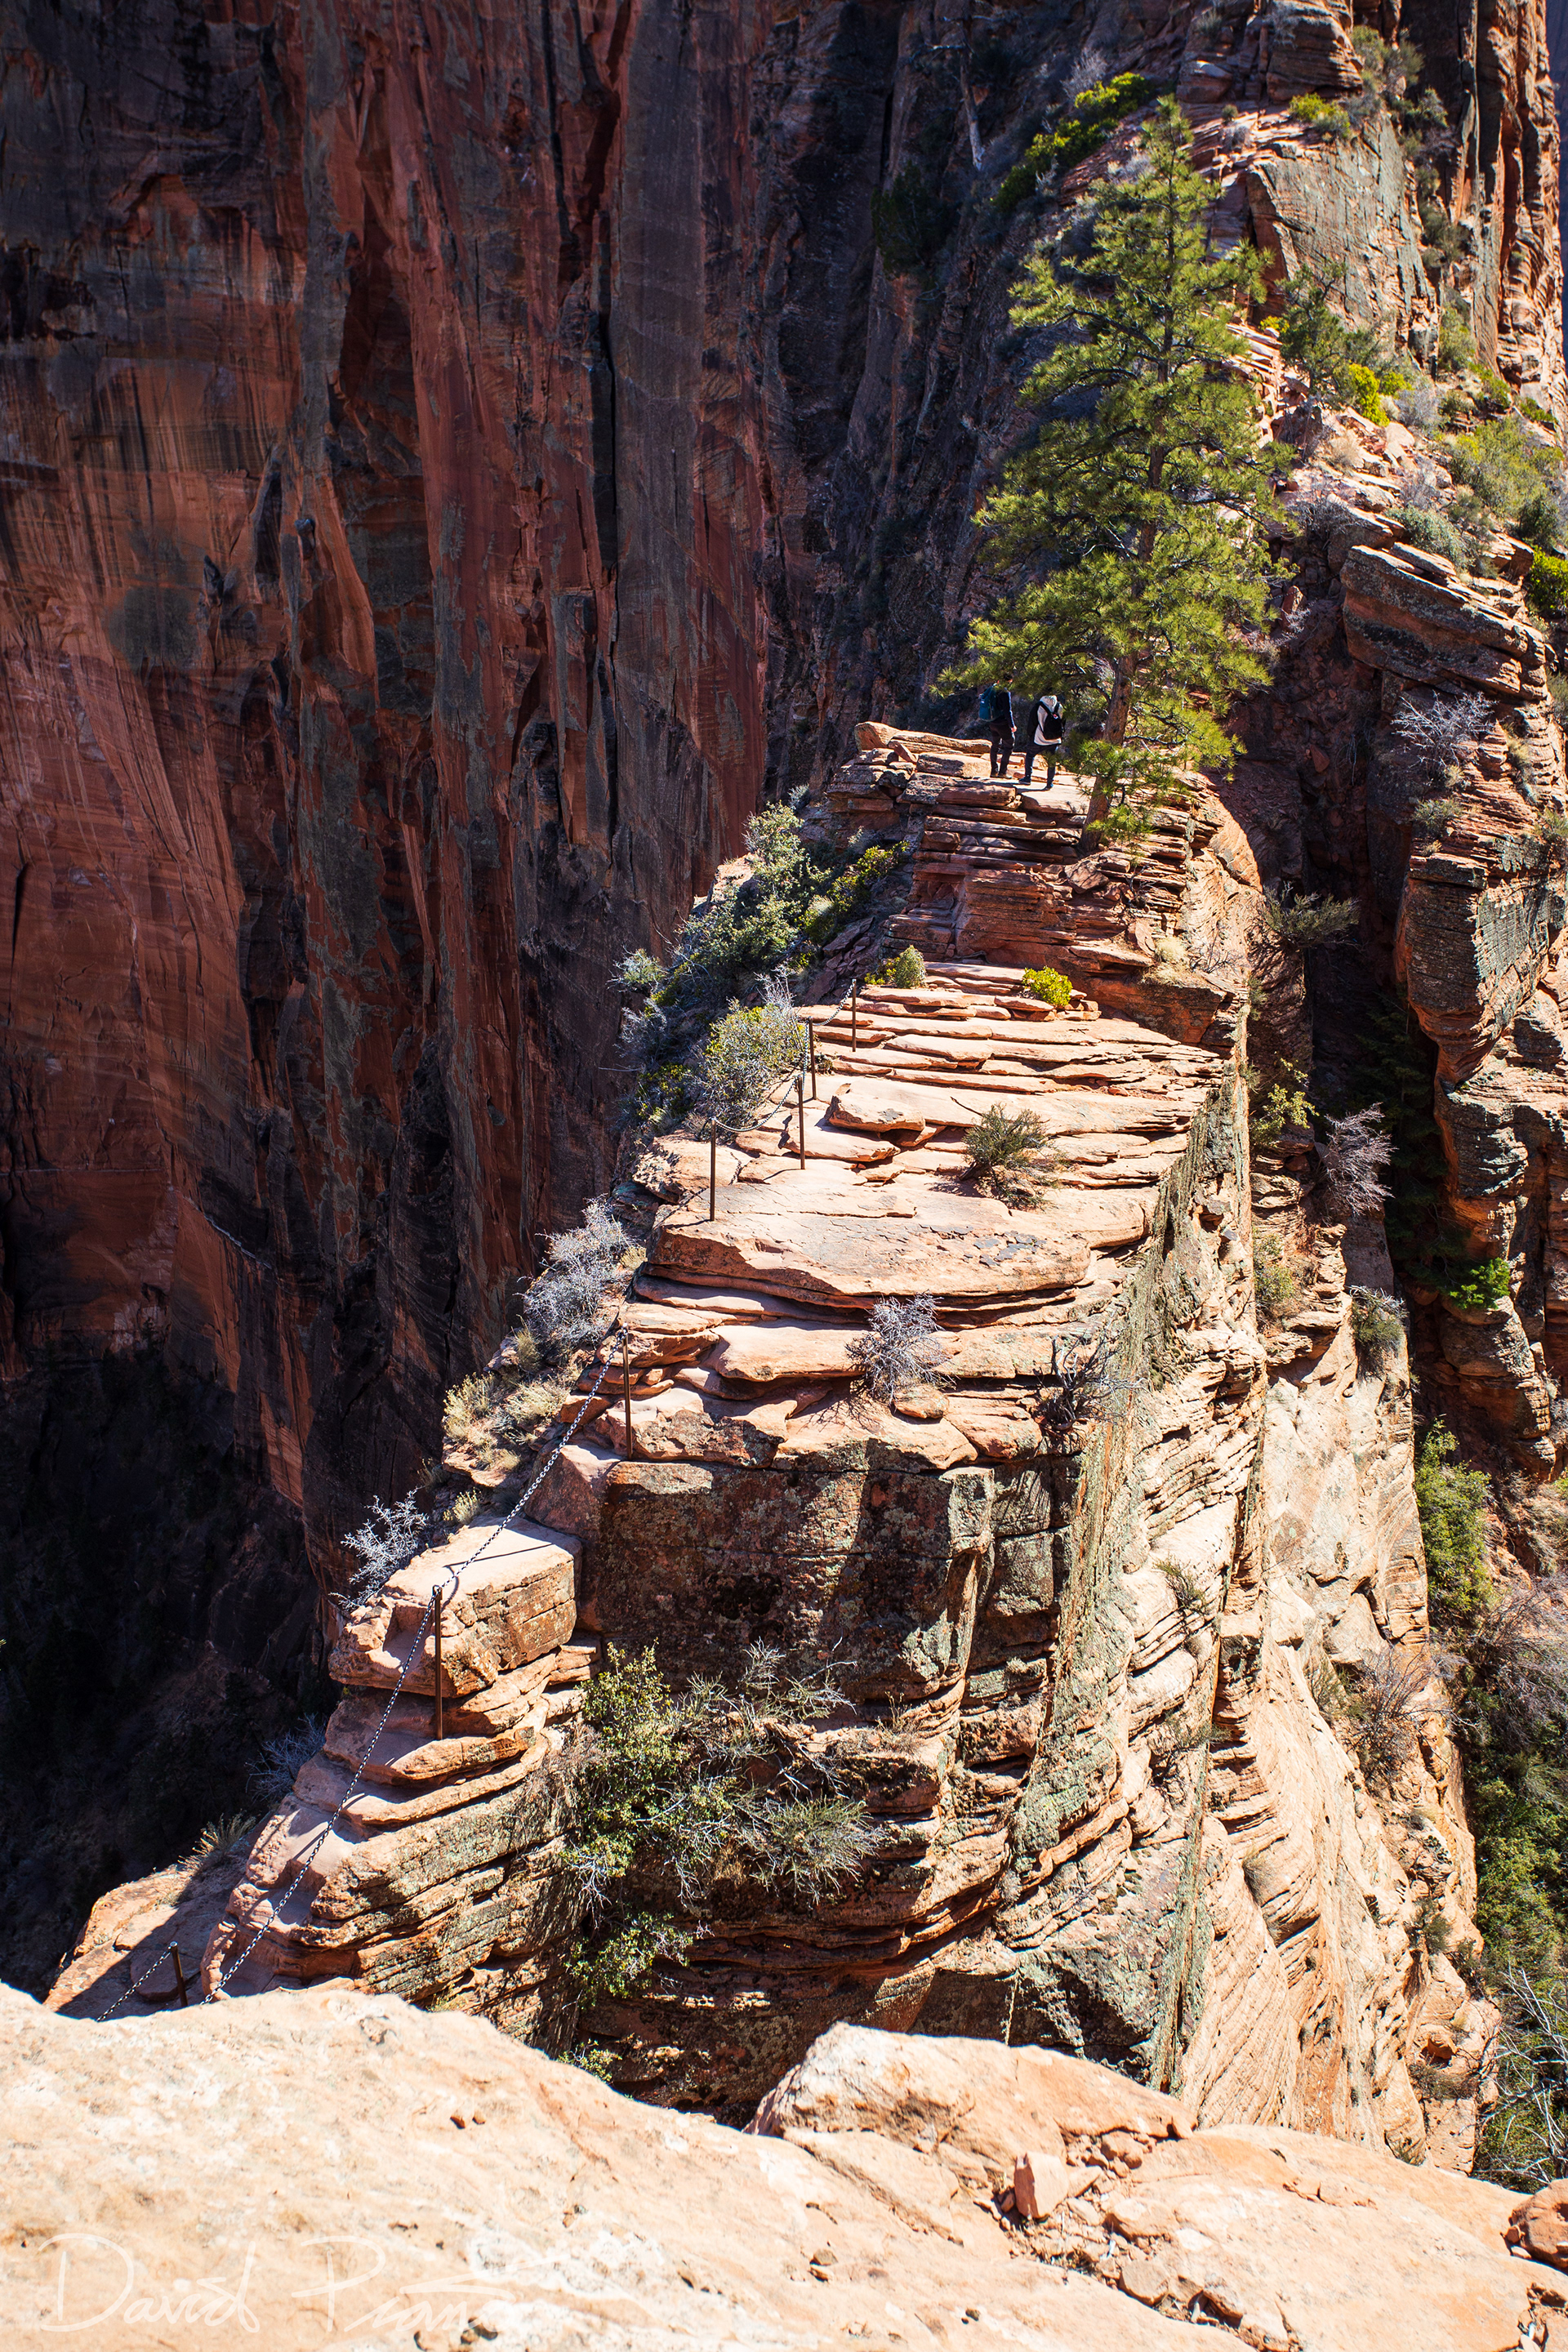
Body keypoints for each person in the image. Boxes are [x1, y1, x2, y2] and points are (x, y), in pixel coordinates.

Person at [1023, 692, 1065, 789]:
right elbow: (1063, 722)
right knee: (1051, 761)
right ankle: (1049, 783)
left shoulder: (1038, 706)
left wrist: (1030, 735)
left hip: (1039, 738)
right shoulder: (1059, 707)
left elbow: (1032, 723)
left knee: (1030, 755)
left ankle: (1027, 778)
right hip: (1055, 740)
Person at [987, 682, 1015, 778]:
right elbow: (1008, 711)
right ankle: (1002, 772)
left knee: (995, 745)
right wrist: (1012, 725)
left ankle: (994, 771)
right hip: (1002, 723)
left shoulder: (992, 690)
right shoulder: (1005, 692)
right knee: (1009, 745)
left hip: (992, 722)